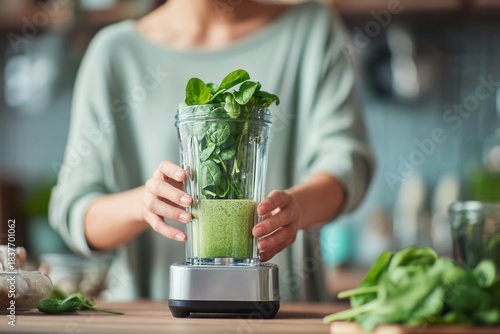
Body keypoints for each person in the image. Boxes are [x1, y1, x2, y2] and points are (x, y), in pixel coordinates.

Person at [49, 0, 375, 302]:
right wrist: (144, 204)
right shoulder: (114, 53)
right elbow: (75, 209)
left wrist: (297, 208)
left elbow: (347, 162)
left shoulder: (311, 30)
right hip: (151, 318)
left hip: (282, 316)